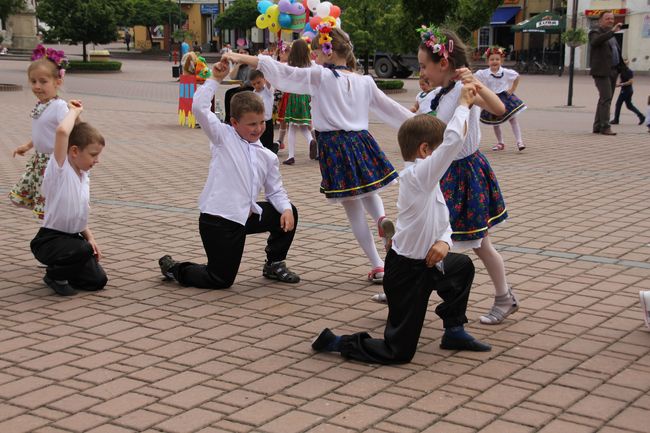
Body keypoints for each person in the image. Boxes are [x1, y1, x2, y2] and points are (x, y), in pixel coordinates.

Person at [222, 27, 414, 284]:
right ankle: (381, 218)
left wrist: (239, 56)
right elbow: (391, 109)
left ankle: (378, 264)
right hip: (361, 140)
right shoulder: (365, 81)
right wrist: (425, 123)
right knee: (369, 191)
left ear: (328, 52)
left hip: (334, 144)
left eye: (316, 50)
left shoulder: (320, 75)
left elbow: (283, 72)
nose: (314, 55)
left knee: (352, 206)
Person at [312, 91, 493, 364]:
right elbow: (454, 141)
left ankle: (454, 330)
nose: (445, 156)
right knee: (398, 352)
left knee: (462, 267)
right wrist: (463, 106)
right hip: (406, 272)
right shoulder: (418, 176)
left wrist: (444, 241)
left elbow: (443, 220)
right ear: (424, 150)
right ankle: (336, 341)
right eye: (438, 148)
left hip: (430, 263)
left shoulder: (429, 180)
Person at [159, 60, 300, 289]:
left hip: (246, 216)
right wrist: (215, 79)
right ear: (234, 123)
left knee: (289, 211)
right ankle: (175, 269)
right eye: (251, 124)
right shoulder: (223, 138)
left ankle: (274, 263)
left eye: (262, 122)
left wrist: (284, 208)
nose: (258, 128)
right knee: (220, 279)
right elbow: (199, 108)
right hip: (219, 220)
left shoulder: (267, 156)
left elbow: (275, 190)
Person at [417, 25, 519, 325]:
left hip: (465, 174)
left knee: (478, 241)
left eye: (425, 65)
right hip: (443, 172)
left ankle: (504, 296)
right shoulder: (439, 92)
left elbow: (499, 108)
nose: (422, 71)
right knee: (430, 234)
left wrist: (475, 82)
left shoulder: (465, 89)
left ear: (444, 63)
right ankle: (408, 286)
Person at [30, 100, 108, 296]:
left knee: (98, 280)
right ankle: (54, 275)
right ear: (74, 151)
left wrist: (90, 238)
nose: (97, 160)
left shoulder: (83, 176)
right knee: (81, 250)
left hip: (73, 239)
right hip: (49, 241)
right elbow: (63, 133)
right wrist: (74, 111)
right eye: (93, 155)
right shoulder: (60, 169)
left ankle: (67, 269)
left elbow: (77, 216)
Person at [10, 45, 69, 220]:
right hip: (40, 160)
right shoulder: (42, 105)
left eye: (43, 82)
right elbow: (42, 131)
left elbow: (71, 130)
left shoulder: (59, 106)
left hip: (53, 162)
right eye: (33, 81)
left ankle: (56, 232)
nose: (37, 86)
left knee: (52, 203)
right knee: (43, 203)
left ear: (57, 82)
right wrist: (27, 146)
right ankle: (51, 231)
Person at [475, 46, 527, 151]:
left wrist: (512, 89)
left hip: (505, 98)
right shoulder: (483, 73)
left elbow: (517, 76)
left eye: (497, 59)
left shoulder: (506, 72)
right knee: (496, 122)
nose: (495, 61)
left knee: (513, 119)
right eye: (492, 59)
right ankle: (500, 143)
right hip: (492, 99)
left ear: (501, 61)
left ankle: (519, 141)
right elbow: (473, 78)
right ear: (487, 61)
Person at [282, 39, 317, 165]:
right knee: (302, 125)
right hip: (306, 97)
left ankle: (291, 156)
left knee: (292, 126)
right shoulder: (311, 65)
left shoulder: (289, 65)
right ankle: (311, 141)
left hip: (294, 96)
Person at [589, 11, 623, 136]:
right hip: (601, 71)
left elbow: (615, 53)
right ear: (600, 21)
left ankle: (597, 126)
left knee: (604, 99)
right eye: (607, 18)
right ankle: (605, 126)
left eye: (612, 18)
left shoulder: (611, 36)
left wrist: (622, 68)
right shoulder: (595, 32)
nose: (610, 20)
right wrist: (612, 31)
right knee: (606, 98)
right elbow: (595, 42)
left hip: (613, 71)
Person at [249, 69, 278, 153]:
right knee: (258, 141)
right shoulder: (254, 93)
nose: (256, 85)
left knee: (268, 143)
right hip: (257, 121)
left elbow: (269, 84)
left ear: (264, 80)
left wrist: (265, 71)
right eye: (254, 84)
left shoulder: (268, 90)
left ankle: (272, 148)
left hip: (267, 121)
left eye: (258, 82)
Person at [224, 47, 254, 125]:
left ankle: (235, 118)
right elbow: (232, 77)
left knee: (233, 94)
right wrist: (238, 65)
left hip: (252, 87)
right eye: (241, 53)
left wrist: (243, 84)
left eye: (245, 52)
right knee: (228, 93)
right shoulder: (240, 66)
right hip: (242, 87)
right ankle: (228, 119)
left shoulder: (252, 65)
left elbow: (251, 81)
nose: (242, 55)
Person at [610, 60, 645, 126]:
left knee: (618, 104)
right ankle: (641, 116)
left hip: (626, 91)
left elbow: (630, 81)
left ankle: (616, 120)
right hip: (627, 90)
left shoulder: (629, 71)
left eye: (625, 63)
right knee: (629, 105)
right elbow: (621, 80)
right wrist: (617, 84)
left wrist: (621, 84)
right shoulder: (622, 71)